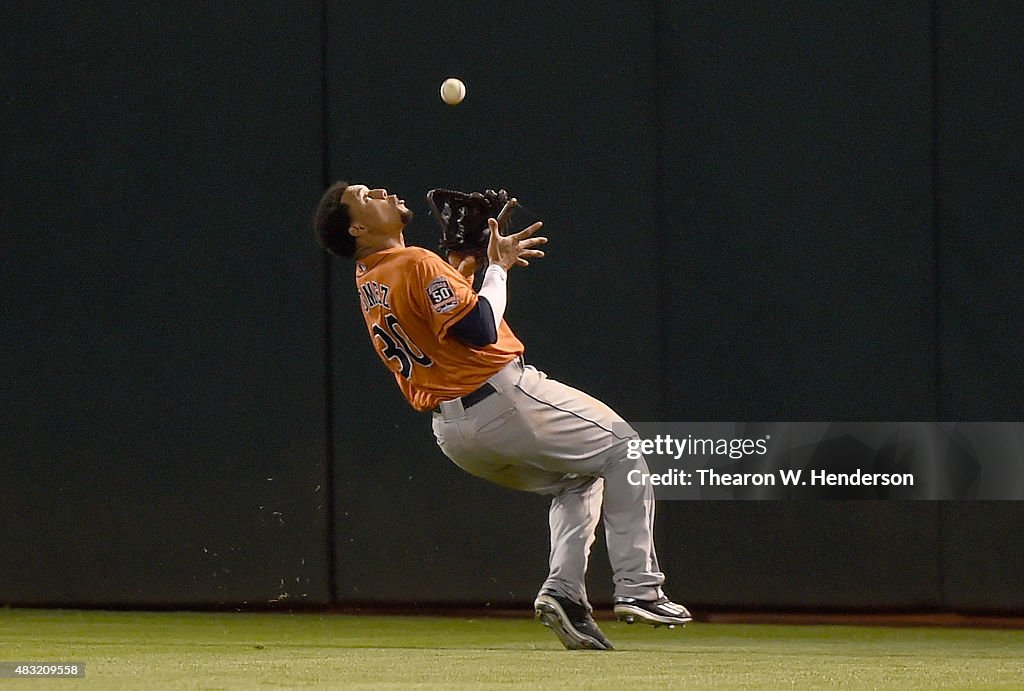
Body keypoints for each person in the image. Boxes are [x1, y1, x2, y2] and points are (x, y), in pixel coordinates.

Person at [314, 181, 691, 650]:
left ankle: (565, 593)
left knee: (578, 480)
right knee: (625, 449)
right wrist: (498, 268)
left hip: (455, 434)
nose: (381, 191)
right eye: (366, 196)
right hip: (503, 402)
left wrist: (462, 268)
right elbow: (479, 328)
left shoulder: (372, 277)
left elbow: (440, 327)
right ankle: (640, 589)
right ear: (357, 227)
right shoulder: (414, 262)